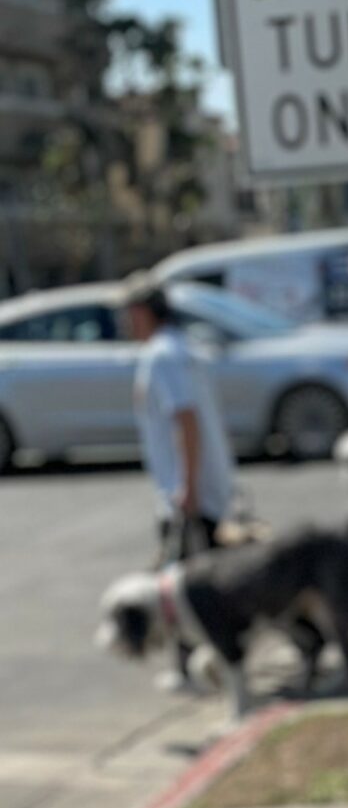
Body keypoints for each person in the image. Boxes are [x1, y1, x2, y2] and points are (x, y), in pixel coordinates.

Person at [124, 281, 237, 689]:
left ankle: (198, 667)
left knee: (186, 588)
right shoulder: (180, 349)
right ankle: (199, 663)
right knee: (204, 580)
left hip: (186, 493)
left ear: (144, 313)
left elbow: (185, 420)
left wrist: (186, 487)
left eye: (130, 314)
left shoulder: (163, 357)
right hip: (201, 486)